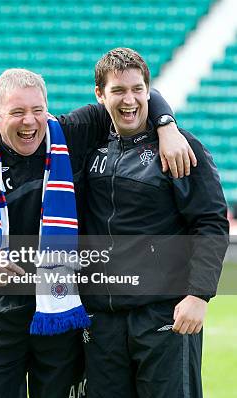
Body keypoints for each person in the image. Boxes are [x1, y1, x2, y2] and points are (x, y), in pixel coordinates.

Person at [0, 68, 193, 398]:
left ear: (47, 109)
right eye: (17, 112)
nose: (30, 122)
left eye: (37, 110)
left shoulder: (71, 133)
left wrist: (167, 125)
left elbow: (133, 95)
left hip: (63, 310)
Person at [80, 47, 229, 398]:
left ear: (149, 91)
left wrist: (198, 295)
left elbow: (210, 223)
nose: (129, 100)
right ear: (100, 95)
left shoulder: (181, 148)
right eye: (118, 91)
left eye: (137, 89)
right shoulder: (89, 147)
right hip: (102, 320)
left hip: (163, 314)